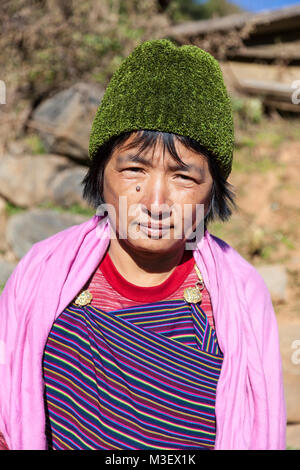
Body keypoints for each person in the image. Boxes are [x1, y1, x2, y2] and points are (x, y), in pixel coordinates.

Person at [0, 39, 286, 450]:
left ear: (213, 192)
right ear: (101, 173)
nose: (155, 203)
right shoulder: (42, 273)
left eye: (183, 177)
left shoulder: (240, 295)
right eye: (134, 168)